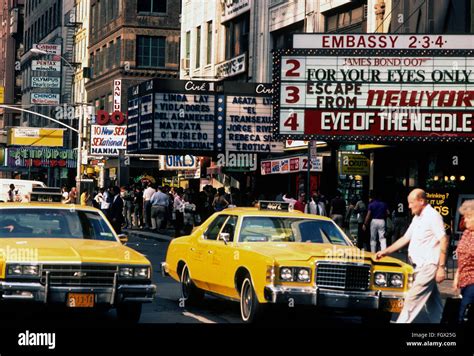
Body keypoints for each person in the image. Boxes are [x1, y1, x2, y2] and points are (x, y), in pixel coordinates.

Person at [376, 188, 449, 323]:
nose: (408, 206)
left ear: (421, 201)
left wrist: (441, 267)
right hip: (419, 266)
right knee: (433, 303)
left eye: (411, 203)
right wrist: (385, 251)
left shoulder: (433, 216)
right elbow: (405, 238)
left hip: (429, 265)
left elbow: (444, 239)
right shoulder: (417, 217)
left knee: (412, 298)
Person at [453, 200, 474, 323]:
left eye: (468, 217)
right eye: (464, 217)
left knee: (463, 313)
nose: (465, 220)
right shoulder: (467, 233)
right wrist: (457, 276)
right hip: (464, 279)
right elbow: (462, 258)